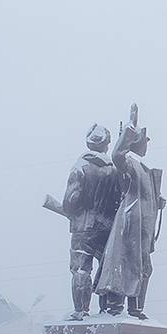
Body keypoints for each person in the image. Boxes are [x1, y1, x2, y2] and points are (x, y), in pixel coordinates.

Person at [96, 104, 164, 319]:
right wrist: (130, 128)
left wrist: (157, 200)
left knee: (144, 266)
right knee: (123, 263)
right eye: (145, 139)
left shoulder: (144, 168)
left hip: (143, 225)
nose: (148, 143)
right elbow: (117, 154)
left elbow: (145, 194)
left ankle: (136, 308)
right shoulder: (128, 163)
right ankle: (115, 306)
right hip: (130, 223)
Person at [57, 124, 120, 319]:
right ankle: (108, 310)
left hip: (83, 228)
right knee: (107, 270)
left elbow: (70, 201)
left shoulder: (80, 167)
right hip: (108, 229)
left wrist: (71, 212)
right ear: (106, 145)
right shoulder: (115, 170)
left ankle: (81, 310)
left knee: (81, 269)